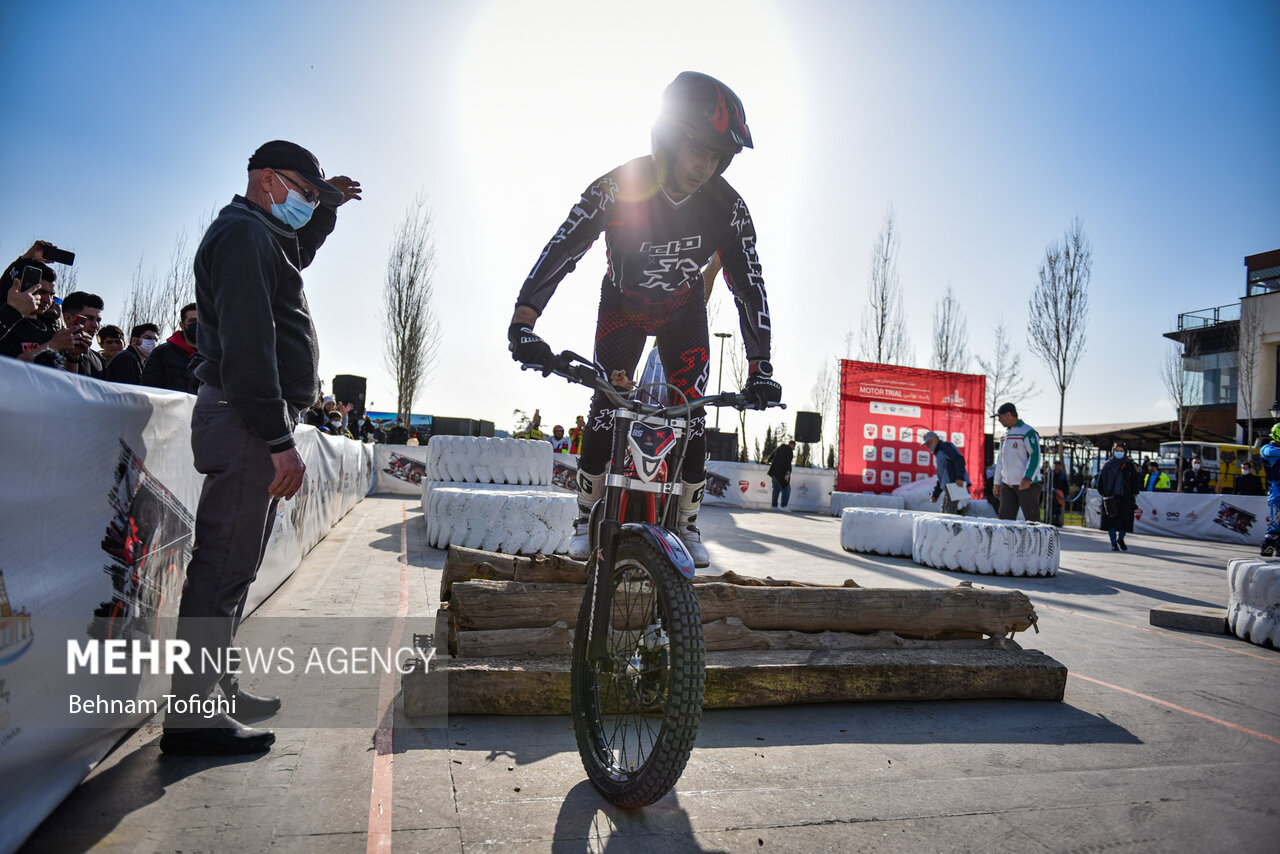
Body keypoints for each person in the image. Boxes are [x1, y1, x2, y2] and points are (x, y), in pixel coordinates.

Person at [507, 71, 780, 567]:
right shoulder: (619, 185)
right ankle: (585, 517)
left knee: (691, 412)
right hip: (622, 307)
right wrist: (525, 319)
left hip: (684, 309)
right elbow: (565, 246)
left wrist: (761, 365)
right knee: (608, 403)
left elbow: (749, 284)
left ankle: (687, 524)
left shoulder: (728, 207)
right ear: (670, 139)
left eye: (719, 157)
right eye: (701, 150)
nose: (707, 167)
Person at [163, 139, 360, 756]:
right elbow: (250, 343)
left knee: (237, 566)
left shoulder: (260, 235)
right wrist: (278, 438)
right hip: (248, 423)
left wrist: (328, 209)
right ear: (269, 181)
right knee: (222, 565)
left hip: (251, 421)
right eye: (304, 192)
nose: (307, 205)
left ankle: (214, 691)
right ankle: (194, 716)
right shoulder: (243, 236)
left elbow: (296, 255)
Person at [992, 402, 1042, 522]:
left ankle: (1035, 541)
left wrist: (1028, 478)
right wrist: (997, 482)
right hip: (1007, 485)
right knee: (1005, 521)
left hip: (1026, 485)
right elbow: (1000, 461)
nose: (999, 420)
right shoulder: (1004, 435)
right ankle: (1007, 541)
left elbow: (1035, 455)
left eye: (1000, 416)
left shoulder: (1027, 432)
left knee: (1032, 521)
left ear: (1009, 414)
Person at [142, 302, 199, 392]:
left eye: (201, 321)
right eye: (192, 321)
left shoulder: (214, 355)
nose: (198, 325)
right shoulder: (161, 353)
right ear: (182, 325)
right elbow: (149, 389)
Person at [1097, 441, 1141, 551]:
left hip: (1126, 497)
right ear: (1113, 451)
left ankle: (1121, 539)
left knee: (1124, 521)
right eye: (1117, 451)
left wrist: (1134, 494)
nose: (1119, 453)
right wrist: (1104, 494)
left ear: (1125, 452)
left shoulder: (1129, 465)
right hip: (1111, 497)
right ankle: (1113, 543)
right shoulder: (1107, 465)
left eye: (1121, 451)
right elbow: (1100, 482)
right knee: (1110, 521)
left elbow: (1135, 481)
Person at [59, 291, 106, 379]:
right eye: (89, 318)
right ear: (68, 318)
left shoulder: (98, 358)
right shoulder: (53, 352)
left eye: (98, 321)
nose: (95, 325)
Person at [922, 431, 969, 515]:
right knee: (946, 509)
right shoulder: (939, 452)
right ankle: (945, 527)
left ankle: (948, 527)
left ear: (935, 440)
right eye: (926, 444)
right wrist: (935, 494)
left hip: (955, 483)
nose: (927, 446)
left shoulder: (945, 447)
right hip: (951, 484)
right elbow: (941, 477)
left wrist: (959, 477)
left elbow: (959, 460)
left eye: (928, 443)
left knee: (949, 510)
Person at [1259, 426, 1280, 556]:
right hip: (1277, 493)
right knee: (1275, 525)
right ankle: (1267, 550)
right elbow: (1272, 453)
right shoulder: (1267, 448)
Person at [767, 439, 795, 511]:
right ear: (792, 445)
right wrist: (788, 472)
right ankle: (783, 506)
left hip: (774, 472)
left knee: (776, 489)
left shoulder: (779, 448)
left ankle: (774, 506)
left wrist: (768, 460)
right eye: (794, 447)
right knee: (786, 489)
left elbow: (773, 454)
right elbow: (788, 462)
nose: (794, 449)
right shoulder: (789, 450)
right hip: (781, 473)